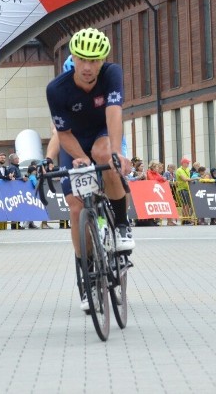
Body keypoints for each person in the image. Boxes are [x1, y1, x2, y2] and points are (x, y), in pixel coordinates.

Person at [45, 28, 132, 312]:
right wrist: (78, 158)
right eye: (81, 59)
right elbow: (61, 133)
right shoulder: (57, 89)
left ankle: (120, 225)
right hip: (73, 142)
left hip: (101, 132)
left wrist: (118, 152)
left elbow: (114, 112)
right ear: (73, 57)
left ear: (103, 60)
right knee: (75, 207)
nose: (87, 66)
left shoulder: (111, 74)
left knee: (104, 154)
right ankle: (87, 275)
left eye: (94, 60)